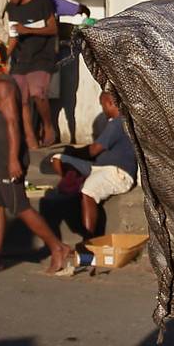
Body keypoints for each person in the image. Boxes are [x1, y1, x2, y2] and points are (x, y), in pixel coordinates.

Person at [0, 48, 72, 274]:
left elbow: (13, 123)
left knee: (20, 207)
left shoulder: (4, 87)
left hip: (9, 157)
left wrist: (14, 159)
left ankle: (58, 247)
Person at [48, 90, 136, 238]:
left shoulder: (118, 123)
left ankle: (88, 241)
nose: (103, 110)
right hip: (97, 168)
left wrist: (74, 152)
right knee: (57, 159)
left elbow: (94, 150)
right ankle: (73, 183)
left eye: (103, 106)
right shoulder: (114, 123)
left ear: (110, 103)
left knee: (88, 191)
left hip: (116, 173)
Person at [1, 0, 59, 149]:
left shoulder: (42, 2)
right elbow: (13, 37)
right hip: (22, 59)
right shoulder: (11, 8)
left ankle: (48, 127)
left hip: (43, 57)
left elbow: (53, 29)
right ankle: (30, 138)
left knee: (37, 93)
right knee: (22, 98)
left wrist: (29, 30)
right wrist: (3, 57)